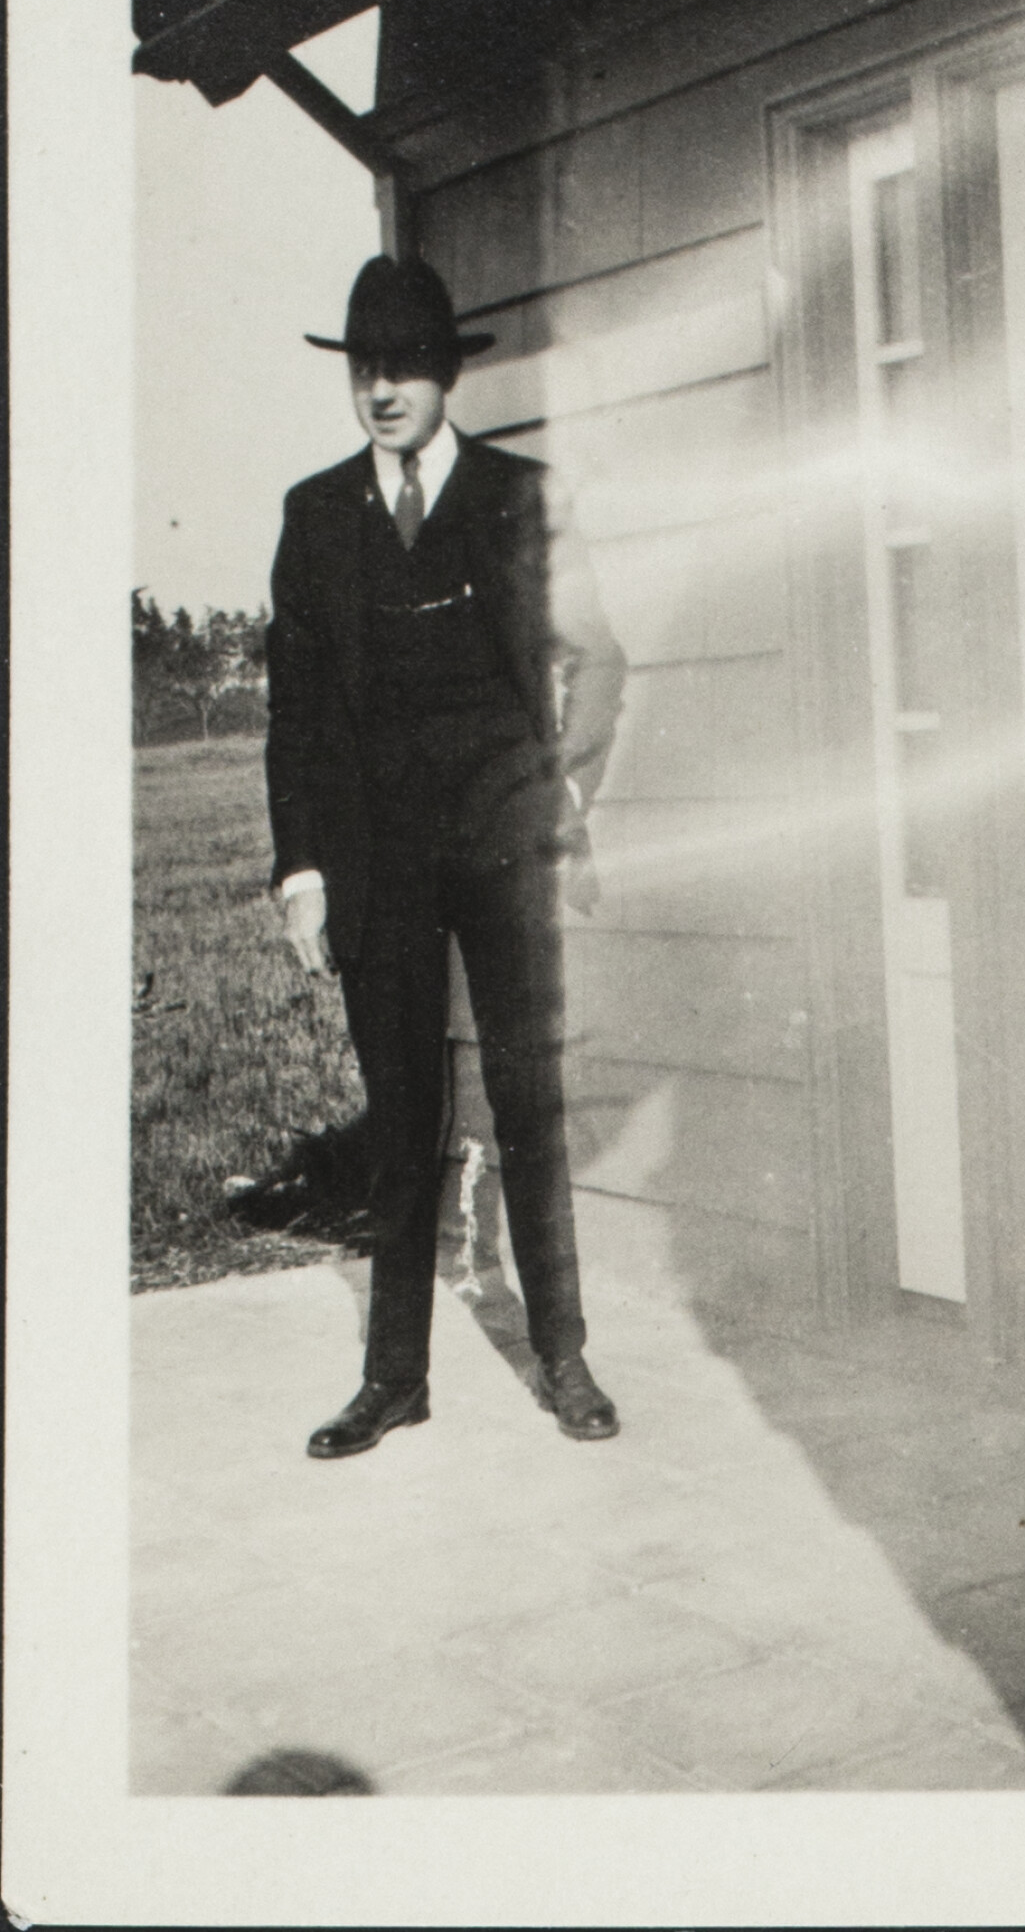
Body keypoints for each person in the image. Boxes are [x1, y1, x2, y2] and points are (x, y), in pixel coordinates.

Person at [266, 255, 627, 1458]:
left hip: (503, 847)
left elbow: (598, 654)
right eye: (367, 366)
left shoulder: (520, 495)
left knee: (527, 1099)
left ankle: (564, 1357)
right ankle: (394, 1379)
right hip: (376, 862)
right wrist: (302, 870)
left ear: (447, 372)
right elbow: (298, 712)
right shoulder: (316, 515)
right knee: (402, 1112)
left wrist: (562, 785)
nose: (384, 388)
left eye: (407, 364)